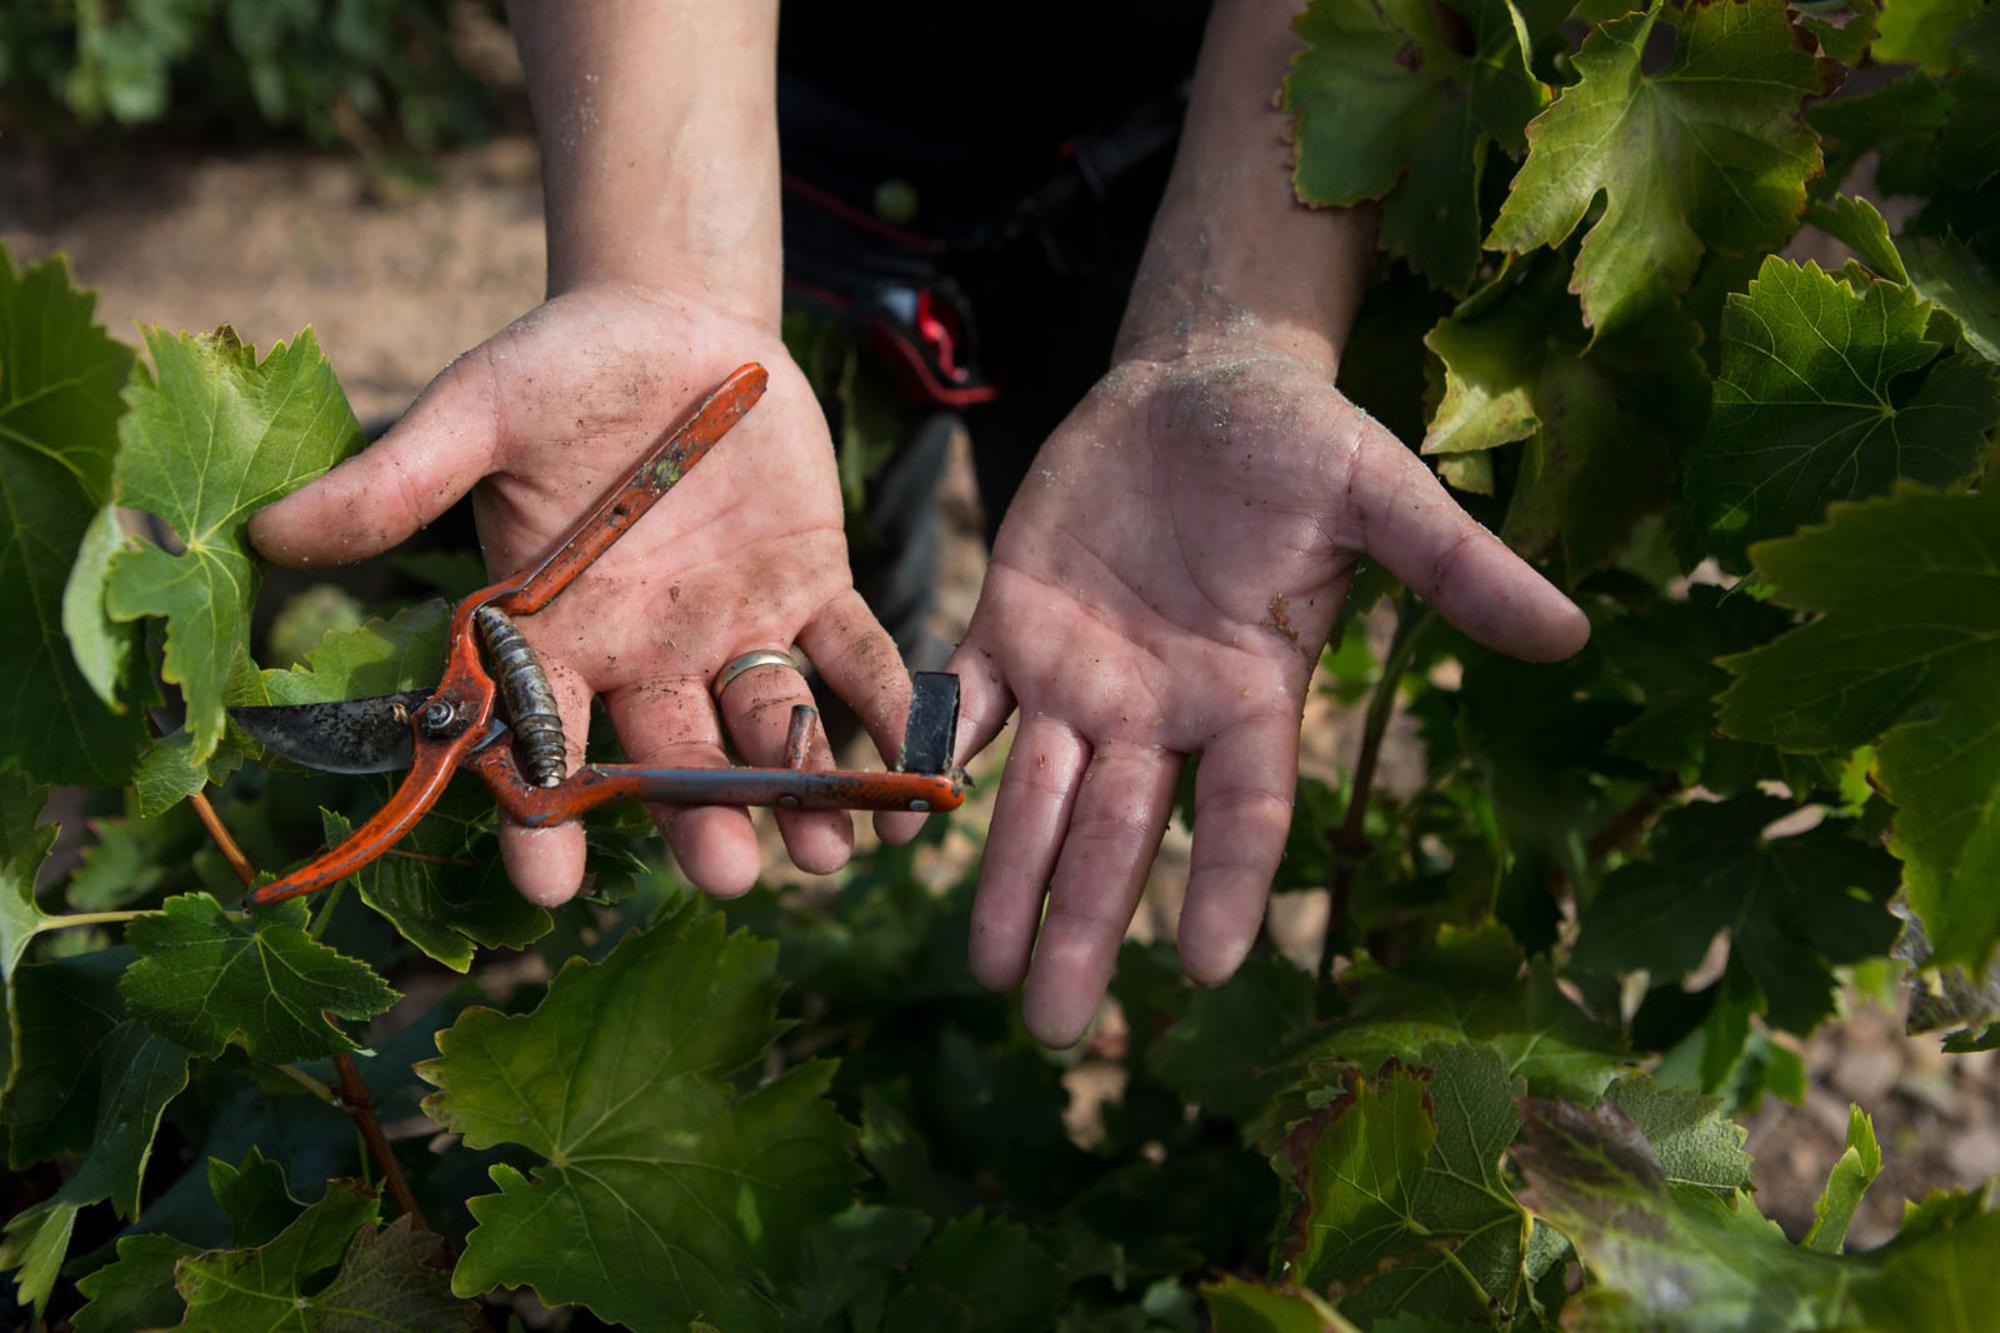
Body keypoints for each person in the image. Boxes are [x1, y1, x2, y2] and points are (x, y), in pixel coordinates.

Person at [248, 0, 1588, 1048]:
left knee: (1089, 609)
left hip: (1200, 143)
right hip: (742, 113)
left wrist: (1234, 317)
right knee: (804, 593)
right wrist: (656, 270)